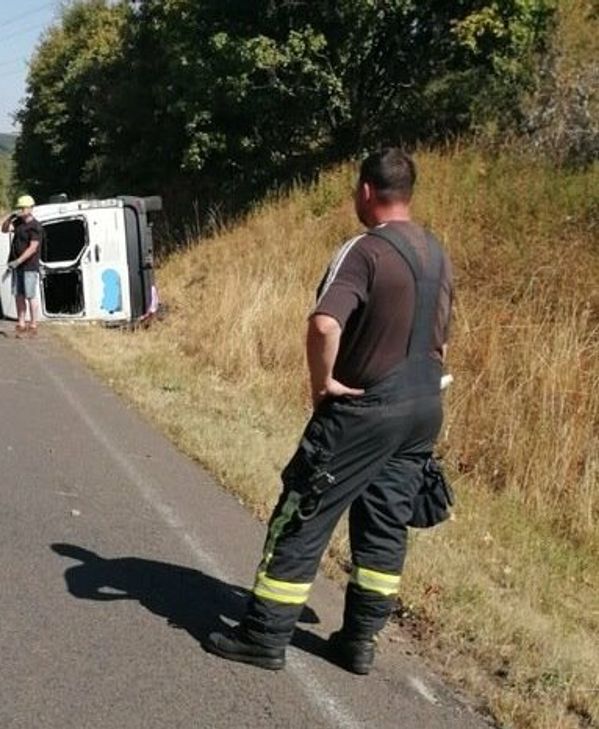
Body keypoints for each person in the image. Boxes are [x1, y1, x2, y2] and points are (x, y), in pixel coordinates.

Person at [207, 148, 454, 675]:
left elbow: (324, 324)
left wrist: (323, 386)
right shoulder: (436, 252)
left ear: (366, 191)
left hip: (364, 408)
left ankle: (264, 635)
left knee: (302, 513)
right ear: (408, 192)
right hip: (423, 407)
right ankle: (359, 642)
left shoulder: (364, 251)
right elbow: (442, 337)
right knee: (386, 524)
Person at [2, 194, 44, 337]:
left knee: (30, 296)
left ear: (31, 208)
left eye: (23, 208)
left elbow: (32, 248)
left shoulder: (36, 227)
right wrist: (9, 218)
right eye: (19, 208)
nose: (20, 210)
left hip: (29, 267)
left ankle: (33, 324)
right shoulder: (18, 223)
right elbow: (4, 230)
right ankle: (21, 323)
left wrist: (18, 261)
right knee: (18, 295)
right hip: (16, 266)